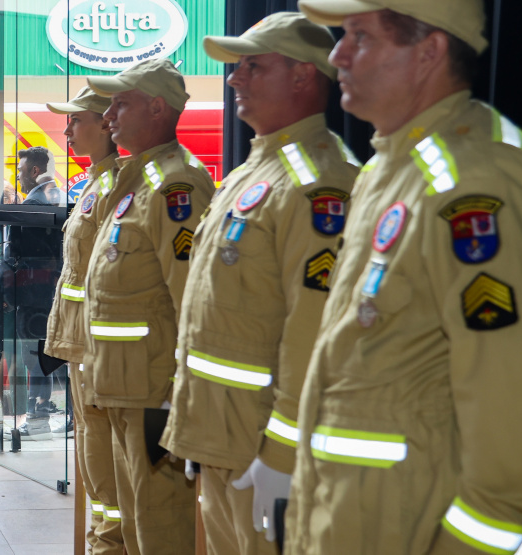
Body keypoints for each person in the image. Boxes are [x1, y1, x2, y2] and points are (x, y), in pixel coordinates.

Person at [281, 1, 522, 553]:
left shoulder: (472, 185)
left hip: (420, 530)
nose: (337, 55)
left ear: (429, 51)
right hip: (366, 517)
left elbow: (514, 414)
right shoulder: (388, 169)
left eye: (361, 37)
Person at [157, 13, 360, 554]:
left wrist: (284, 455)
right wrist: (195, 421)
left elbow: (315, 335)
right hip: (220, 431)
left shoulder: (321, 183)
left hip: (263, 442)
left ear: (302, 77)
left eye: (252, 66)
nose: (234, 79)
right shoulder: (252, 172)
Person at [82, 58, 216, 554]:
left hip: (155, 390)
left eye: (121, 103)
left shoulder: (176, 186)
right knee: (138, 519)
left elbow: (191, 300)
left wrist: (182, 392)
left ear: (157, 108)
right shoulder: (136, 179)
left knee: (159, 524)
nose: (108, 115)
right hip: (121, 386)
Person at [43, 87, 124, 552]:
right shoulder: (94, 182)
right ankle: (98, 543)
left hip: (101, 347)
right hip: (82, 346)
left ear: (107, 124)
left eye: (78, 120)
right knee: (95, 466)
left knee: (107, 468)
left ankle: (106, 544)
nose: (68, 129)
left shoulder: (117, 185)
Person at [1, 146, 64, 441]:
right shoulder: (58, 196)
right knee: (46, 355)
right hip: (51, 291)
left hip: (33, 292)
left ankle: (37, 417)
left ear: (35, 171)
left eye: (21, 170)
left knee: (33, 356)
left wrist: (8, 288)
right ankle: (43, 413)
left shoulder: (34, 203)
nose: (18, 176)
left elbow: (21, 252)